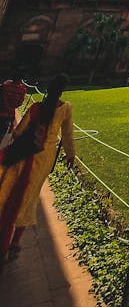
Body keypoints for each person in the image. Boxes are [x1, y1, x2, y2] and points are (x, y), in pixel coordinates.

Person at [0, 74, 75, 264]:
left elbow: (18, 132)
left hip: (25, 156)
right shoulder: (65, 109)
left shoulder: (36, 108)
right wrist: (70, 155)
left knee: (11, 193)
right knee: (29, 197)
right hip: (44, 158)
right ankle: (15, 242)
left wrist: (16, 134)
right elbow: (67, 135)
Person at [0, 74, 27, 150]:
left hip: (2, 111)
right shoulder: (22, 90)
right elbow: (19, 103)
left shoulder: (5, 86)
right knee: (1, 134)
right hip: (9, 115)